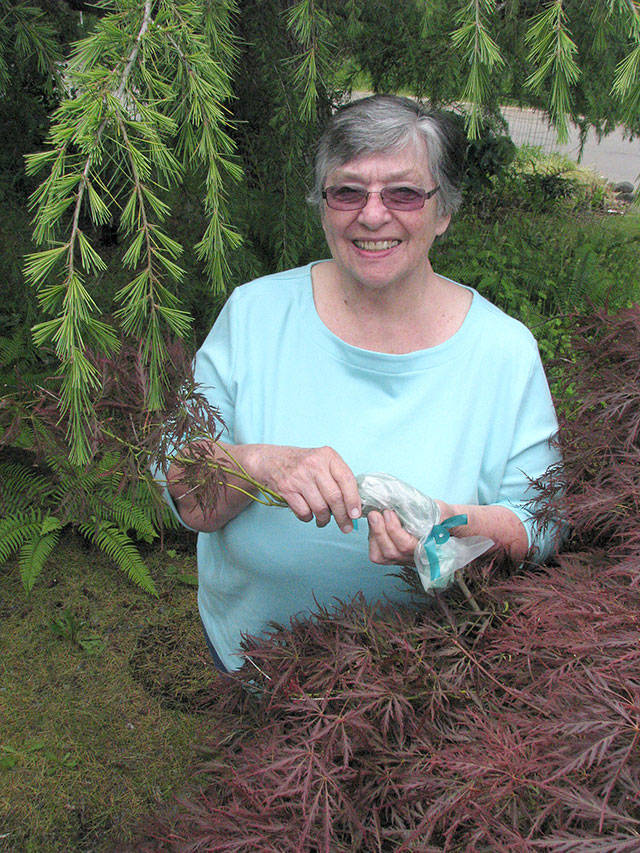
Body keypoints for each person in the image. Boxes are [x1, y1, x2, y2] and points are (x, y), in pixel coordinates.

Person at [161, 94, 560, 673]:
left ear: (443, 210)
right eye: (348, 192)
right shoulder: (254, 315)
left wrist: (445, 527)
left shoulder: (503, 351)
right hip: (249, 662)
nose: (372, 216)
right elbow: (185, 494)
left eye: (403, 193)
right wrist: (257, 463)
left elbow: (539, 523)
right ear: (323, 206)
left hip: (424, 683)